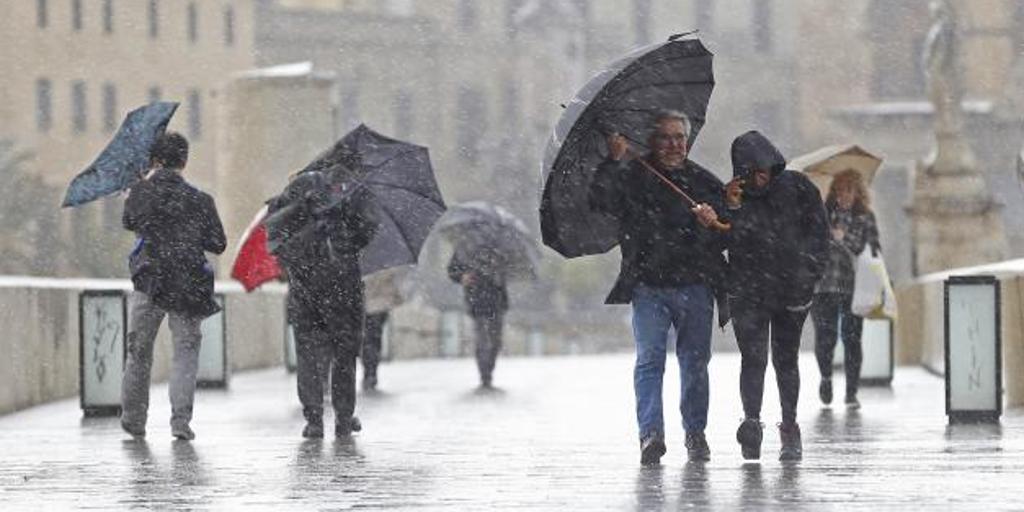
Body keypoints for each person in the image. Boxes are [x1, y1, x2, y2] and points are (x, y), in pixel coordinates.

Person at [588, 110, 728, 465]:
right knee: (650, 360)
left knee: (695, 362)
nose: (673, 145)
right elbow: (601, 200)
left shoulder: (702, 180)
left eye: (679, 137)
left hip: (696, 285)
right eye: (665, 137)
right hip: (649, 286)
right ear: (651, 142)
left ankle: (695, 433)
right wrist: (613, 160)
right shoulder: (633, 176)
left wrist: (714, 222)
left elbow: (731, 227)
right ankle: (650, 433)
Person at [723, 130, 829, 461]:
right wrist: (730, 210)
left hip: (791, 290)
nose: (760, 178)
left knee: (786, 360)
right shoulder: (733, 197)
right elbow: (722, 240)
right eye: (752, 172)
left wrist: (809, 272)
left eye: (763, 170)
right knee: (753, 360)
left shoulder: (797, 187)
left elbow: (819, 233)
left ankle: (790, 427)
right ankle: (752, 423)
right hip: (748, 292)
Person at [120, 132, 226, 441]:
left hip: (149, 282)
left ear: (155, 160)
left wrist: (139, 189)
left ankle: (134, 418)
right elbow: (217, 244)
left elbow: (130, 223)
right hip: (188, 283)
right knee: (185, 353)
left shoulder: (141, 192)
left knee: (139, 353)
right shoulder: (201, 199)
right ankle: (180, 420)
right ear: (184, 160)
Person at [267, 170, 377, 439]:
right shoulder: (351, 195)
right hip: (343, 285)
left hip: (305, 287)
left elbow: (277, 240)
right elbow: (367, 233)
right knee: (344, 352)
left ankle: (314, 419)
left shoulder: (294, 197)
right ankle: (343, 416)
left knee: (307, 352)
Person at [811, 170, 881, 410]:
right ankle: (826, 378)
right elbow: (811, 246)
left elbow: (873, 251)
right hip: (823, 285)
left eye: (849, 190)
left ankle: (851, 392)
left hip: (854, 286)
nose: (844, 195)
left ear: (858, 192)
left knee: (852, 339)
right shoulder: (822, 213)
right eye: (840, 190)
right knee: (825, 337)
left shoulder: (865, 217)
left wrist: (844, 239)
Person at [447, 245, 509, 389]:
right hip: (476, 299)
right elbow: (452, 270)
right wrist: (462, 276)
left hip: (497, 300)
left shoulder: (501, 246)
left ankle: (489, 369)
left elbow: (511, 269)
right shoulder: (465, 246)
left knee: (495, 341)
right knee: (481, 338)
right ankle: (484, 374)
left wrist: (499, 269)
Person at [361, 311, 389, 391]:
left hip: (369, 312)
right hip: (376, 311)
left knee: (369, 343)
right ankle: (371, 373)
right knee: (374, 343)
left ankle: (369, 373)